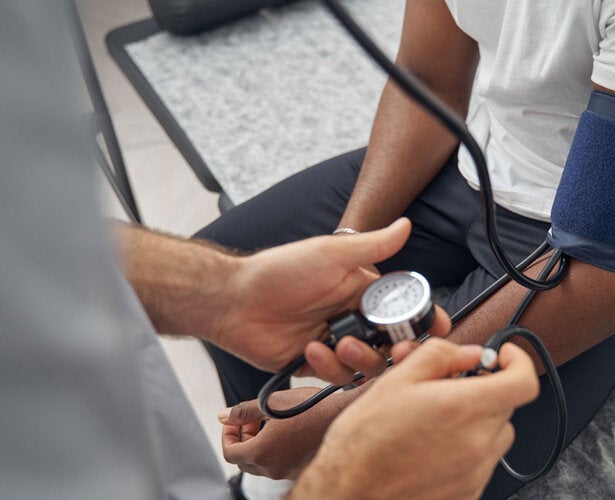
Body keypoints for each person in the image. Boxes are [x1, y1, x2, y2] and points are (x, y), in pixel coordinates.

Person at [194, 0, 615, 497]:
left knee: (412, 462)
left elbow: (608, 264)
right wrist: (346, 249)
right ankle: (258, 474)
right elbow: (428, 76)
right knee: (222, 278)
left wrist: (347, 415)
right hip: (480, 163)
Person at [0, 2, 541, 499]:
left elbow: (28, 232)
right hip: (473, 160)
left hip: (556, 223)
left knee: (473, 449)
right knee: (229, 249)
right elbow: (428, 74)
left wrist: (220, 291)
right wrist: (342, 480)